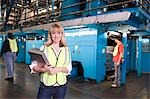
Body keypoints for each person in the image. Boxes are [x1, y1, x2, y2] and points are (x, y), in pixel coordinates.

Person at [29, 23, 72, 99]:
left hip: (61, 86)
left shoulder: (66, 50)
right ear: (50, 35)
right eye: (53, 33)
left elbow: (68, 68)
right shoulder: (44, 48)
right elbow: (33, 66)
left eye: (59, 33)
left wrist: (57, 69)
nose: (56, 36)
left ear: (62, 34)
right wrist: (43, 69)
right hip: (46, 86)